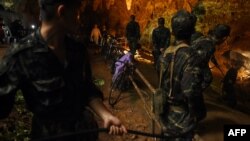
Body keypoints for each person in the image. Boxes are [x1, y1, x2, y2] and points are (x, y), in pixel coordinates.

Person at [0, 0, 127, 140]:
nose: (78, 18)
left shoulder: (78, 50)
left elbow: (87, 89)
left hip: (85, 134)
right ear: (62, 12)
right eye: (76, 13)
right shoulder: (21, 56)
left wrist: (106, 115)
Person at [156, 10, 198, 141]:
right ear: (192, 32)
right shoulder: (190, 55)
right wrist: (197, 114)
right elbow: (190, 92)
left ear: (173, 32)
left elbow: (160, 75)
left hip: (163, 111)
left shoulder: (165, 54)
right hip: (180, 119)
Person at [190, 24, 231, 121]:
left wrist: (215, 63)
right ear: (224, 38)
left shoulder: (205, 39)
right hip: (190, 74)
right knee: (208, 79)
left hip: (187, 68)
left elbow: (207, 55)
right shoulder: (210, 45)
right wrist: (207, 74)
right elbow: (198, 62)